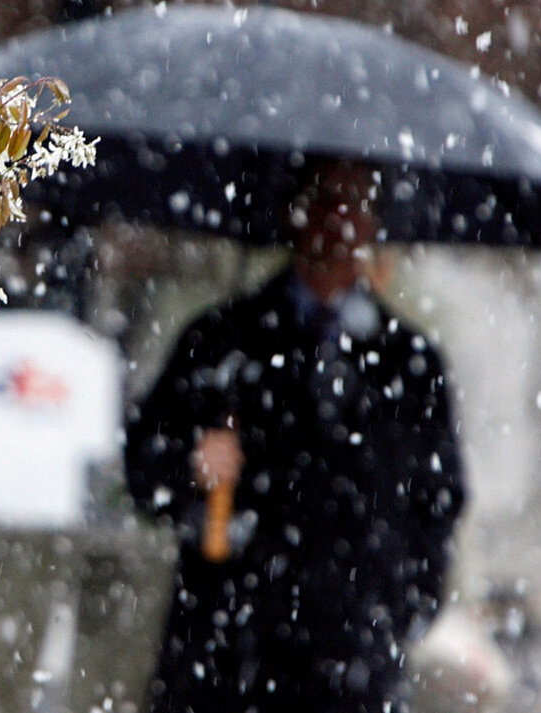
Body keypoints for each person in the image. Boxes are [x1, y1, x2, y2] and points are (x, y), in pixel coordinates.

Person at [125, 160, 466, 713]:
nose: (338, 219)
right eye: (324, 199)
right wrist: (191, 464)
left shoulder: (411, 363)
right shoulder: (218, 342)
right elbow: (143, 469)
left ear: (374, 222)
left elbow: (439, 499)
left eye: (355, 203)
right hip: (226, 653)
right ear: (292, 213)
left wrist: (402, 606)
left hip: (355, 656)